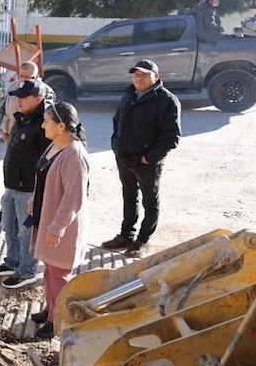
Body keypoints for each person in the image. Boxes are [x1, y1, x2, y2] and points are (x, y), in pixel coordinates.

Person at [102, 59, 181, 259]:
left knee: (149, 201)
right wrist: (116, 146)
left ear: (156, 77)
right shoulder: (128, 96)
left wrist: (148, 158)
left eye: (144, 74)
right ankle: (126, 235)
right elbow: (117, 121)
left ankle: (143, 239)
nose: (139, 78)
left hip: (147, 163)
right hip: (124, 158)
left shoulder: (166, 101)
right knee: (129, 196)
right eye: (136, 74)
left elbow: (172, 137)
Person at [29, 101, 89, 339]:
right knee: (49, 269)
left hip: (63, 226)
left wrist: (57, 228)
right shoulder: (54, 145)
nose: (43, 124)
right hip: (48, 219)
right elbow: (43, 176)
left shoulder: (74, 155)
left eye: (46, 121)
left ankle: (59, 320)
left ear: (61, 126)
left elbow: (73, 199)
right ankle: (50, 309)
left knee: (60, 274)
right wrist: (35, 199)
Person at [0, 79, 51, 289]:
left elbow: (47, 160)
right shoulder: (21, 118)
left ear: (38, 99)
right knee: (9, 227)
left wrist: (38, 192)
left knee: (27, 233)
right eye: (17, 97)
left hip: (28, 190)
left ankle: (27, 271)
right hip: (11, 186)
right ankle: (12, 261)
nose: (18, 101)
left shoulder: (44, 122)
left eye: (24, 97)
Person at [0, 62, 54, 222]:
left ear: (37, 76)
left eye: (29, 77)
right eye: (22, 75)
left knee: (28, 179)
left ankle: (28, 213)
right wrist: (3, 129)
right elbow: (3, 110)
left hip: (32, 143)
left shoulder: (45, 92)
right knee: (10, 173)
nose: (24, 80)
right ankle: (7, 209)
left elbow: (51, 116)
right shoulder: (13, 88)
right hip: (13, 138)